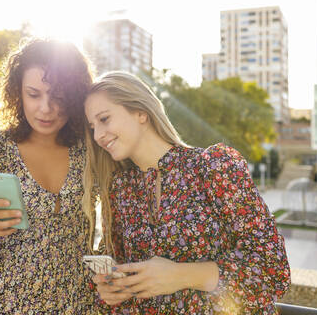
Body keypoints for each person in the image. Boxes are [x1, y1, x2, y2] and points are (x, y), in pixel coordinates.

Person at [83, 71, 291, 314]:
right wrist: (112, 289)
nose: (98, 135)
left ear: (141, 113)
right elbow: (127, 283)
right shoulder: (120, 190)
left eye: (104, 119)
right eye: (92, 126)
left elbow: (273, 270)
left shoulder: (214, 166)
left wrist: (180, 276)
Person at [0, 39, 96, 314]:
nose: (45, 108)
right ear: (17, 92)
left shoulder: (89, 151)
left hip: (69, 304)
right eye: (34, 94)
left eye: (59, 97)